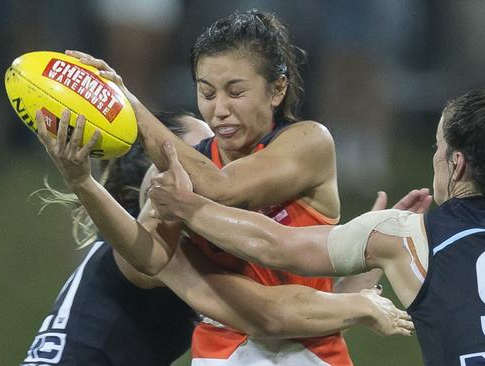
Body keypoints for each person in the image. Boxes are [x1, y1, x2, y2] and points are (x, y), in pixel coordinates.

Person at [148, 81, 485, 365]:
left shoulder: (405, 237)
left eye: (437, 147)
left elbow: (276, 245)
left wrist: (190, 208)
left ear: (457, 164)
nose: (433, 157)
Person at [63, 9, 429, 365]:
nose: (219, 109)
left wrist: (130, 107)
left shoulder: (308, 143)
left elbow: (223, 189)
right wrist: (84, 182)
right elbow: (151, 258)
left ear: (277, 89)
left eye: (235, 92)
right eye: (206, 93)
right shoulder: (182, 168)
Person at [32, 108, 418, 364]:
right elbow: (270, 316)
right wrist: (362, 306)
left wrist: (370, 256)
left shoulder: (191, 242)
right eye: (195, 154)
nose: (211, 159)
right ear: (152, 183)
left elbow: (297, 319)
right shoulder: (152, 252)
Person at [22, 111, 208, 366]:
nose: (214, 160)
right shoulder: (144, 249)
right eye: (202, 152)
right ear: (156, 171)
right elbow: (146, 261)